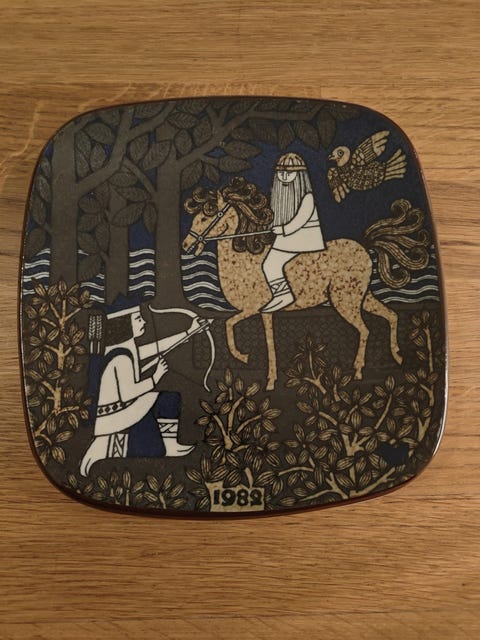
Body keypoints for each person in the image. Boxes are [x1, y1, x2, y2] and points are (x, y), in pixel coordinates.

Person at [79, 305, 204, 476]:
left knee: (169, 399)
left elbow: (157, 347)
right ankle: (109, 446)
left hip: (125, 407)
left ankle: (169, 444)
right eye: (138, 318)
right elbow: (128, 394)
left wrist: (189, 331)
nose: (144, 321)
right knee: (155, 442)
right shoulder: (121, 357)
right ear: (125, 325)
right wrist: (155, 377)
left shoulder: (124, 349)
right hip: (118, 413)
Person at [260, 153, 326, 313]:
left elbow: (300, 220)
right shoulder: (279, 197)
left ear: (300, 175)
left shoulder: (308, 197)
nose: (284, 176)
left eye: (289, 172)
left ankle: (283, 295)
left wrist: (283, 229)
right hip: (285, 240)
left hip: (302, 240)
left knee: (270, 264)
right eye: (281, 173)